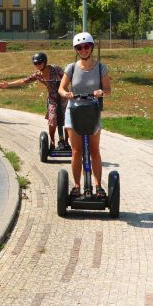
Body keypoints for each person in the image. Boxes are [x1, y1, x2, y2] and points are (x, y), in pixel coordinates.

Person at [58, 32, 111, 198]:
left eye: (86, 46)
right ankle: (76, 186)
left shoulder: (101, 68)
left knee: (94, 150)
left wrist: (101, 92)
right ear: (76, 50)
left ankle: (98, 187)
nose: (83, 50)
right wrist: (66, 94)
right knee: (76, 151)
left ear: (91, 47)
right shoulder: (71, 68)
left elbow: (108, 90)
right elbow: (61, 88)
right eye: (79, 47)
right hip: (74, 110)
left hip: (92, 111)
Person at [0, 52, 67, 150]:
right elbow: (24, 81)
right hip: (53, 99)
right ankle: (52, 141)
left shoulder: (55, 69)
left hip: (64, 97)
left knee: (67, 120)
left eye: (40, 63)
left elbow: (67, 77)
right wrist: (8, 84)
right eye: (35, 64)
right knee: (52, 121)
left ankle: (66, 142)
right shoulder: (38, 75)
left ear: (45, 62)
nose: (38, 65)